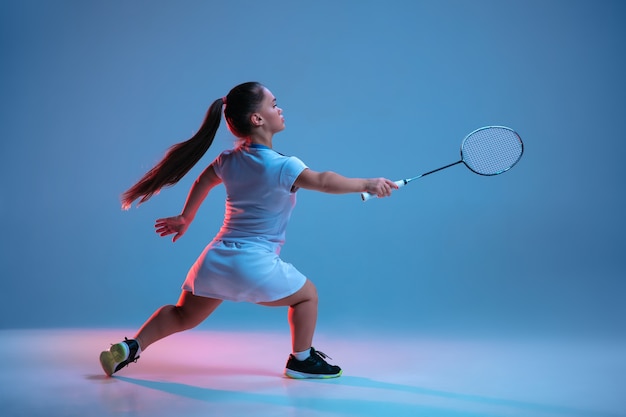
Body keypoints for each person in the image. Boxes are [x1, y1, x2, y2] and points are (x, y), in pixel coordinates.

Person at [99, 81, 397, 379]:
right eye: (274, 103)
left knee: (181, 315)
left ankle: (132, 347)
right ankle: (302, 360)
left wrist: (185, 217)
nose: (280, 109)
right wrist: (368, 183)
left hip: (215, 259)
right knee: (307, 296)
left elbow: (204, 180)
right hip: (255, 263)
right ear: (257, 119)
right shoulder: (284, 166)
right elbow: (323, 180)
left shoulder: (229, 160)